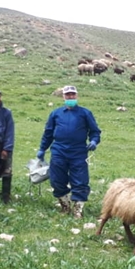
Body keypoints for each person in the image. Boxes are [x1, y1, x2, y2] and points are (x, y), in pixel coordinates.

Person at [37, 85, 101, 218]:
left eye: (73, 94)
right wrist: (42, 149)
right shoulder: (56, 114)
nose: (70, 97)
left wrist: (94, 141)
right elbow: (48, 133)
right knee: (56, 180)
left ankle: (78, 209)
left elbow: (95, 131)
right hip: (59, 150)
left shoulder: (85, 113)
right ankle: (65, 205)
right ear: (63, 97)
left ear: (76, 96)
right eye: (68, 95)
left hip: (78, 151)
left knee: (80, 180)